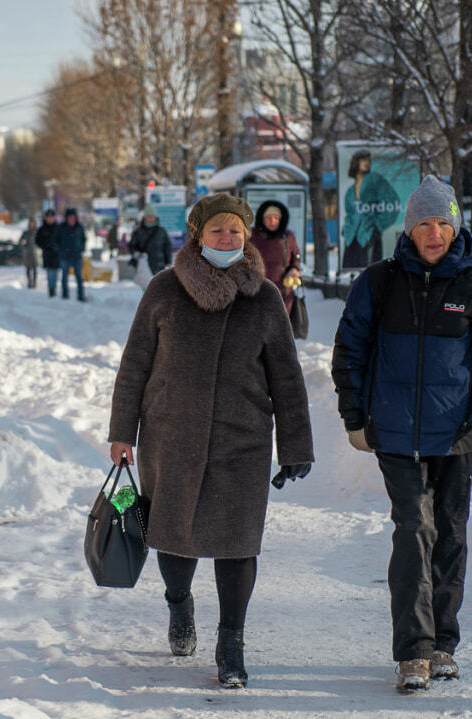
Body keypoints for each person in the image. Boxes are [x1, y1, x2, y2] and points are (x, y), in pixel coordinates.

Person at [109, 192, 314, 689]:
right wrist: (122, 432)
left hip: (241, 440)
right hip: (171, 434)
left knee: (238, 543)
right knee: (174, 539)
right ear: (198, 235)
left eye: (237, 231)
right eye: (218, 230)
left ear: (247, 238)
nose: (228, 238)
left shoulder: (264, 297)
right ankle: (179, 605)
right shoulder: (164, 289)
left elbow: (286, 377)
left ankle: (231, 642)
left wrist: (295, 447)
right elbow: (135, 364)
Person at [331, 175, 472, 694]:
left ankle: (444, 645)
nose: (434, 233)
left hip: (458, 434)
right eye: (424, 224)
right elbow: (348, 351)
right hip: (394, 432)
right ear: (410, 230)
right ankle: (413, 652)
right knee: (414, 531)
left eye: (442, 222)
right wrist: (354, 416)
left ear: (455, 227)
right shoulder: (379, 282)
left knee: (451, 537)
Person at [341, 150, 401, 269]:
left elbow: (393, 201)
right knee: (350, 272)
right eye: (363, 160)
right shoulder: (350, 191)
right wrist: (347, 227)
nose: (367, 163)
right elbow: (350, 212)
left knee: (370, 272)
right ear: (356, 162)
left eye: (368, 160)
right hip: (351, 237)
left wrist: (378, 225)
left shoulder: (375, 179)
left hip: (369, 235)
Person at [247, 200, 302, 317]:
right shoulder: (252, 236)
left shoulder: (287, 236)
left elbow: (296, 256)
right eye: (269, 218)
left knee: (280, 324)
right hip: (257, 289)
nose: (272, 221)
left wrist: (294, 269)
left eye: (276, 217)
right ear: (262, 218)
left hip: (283, 290)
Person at [128, 204, 172, 276]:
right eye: (149, 216)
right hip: (143, 268)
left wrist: (168, 262)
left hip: (160, 267)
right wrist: (136, 254)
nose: (151, 218)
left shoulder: (161, 231)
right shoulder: (138, 231)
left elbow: (167, 247)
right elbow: (131, 246)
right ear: (145, 217)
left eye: (152, 216)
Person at [54, 207, 87, 302]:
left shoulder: (79, 227)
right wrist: (60, 249)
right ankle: (65, 295)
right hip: (65, 256)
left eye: (73, 217)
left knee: (79, 277)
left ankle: (81, 296)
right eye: (70, 217)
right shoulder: (61, 227)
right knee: (64, 277)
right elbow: (55, 240)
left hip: (77, 256)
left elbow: (84, 239)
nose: (72, 219)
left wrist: (81, 248)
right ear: (67, 218)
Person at [34, 209, 61, 297]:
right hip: (47, 254)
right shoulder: (42, 229)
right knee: (50, 273)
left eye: (51, 217)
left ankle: (54, 288)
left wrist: (57, 247)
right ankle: (51, 289)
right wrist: (45, 246)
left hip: (56, 254)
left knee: (55, 273)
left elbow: (62, 240)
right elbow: (37, 241)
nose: (50, 219)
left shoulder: (57, 228)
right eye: (48, 217)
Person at [19, 217, 39, 288]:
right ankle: (29, 282)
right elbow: (20, 242)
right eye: (30, 223)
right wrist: (24, 248)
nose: (31, 224)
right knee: (28, 269)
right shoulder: (26, 233)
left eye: (32, 223)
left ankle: (34, 283)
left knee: (35, 269)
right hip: (27, 254)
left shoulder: (37, 232)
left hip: (35, 253)